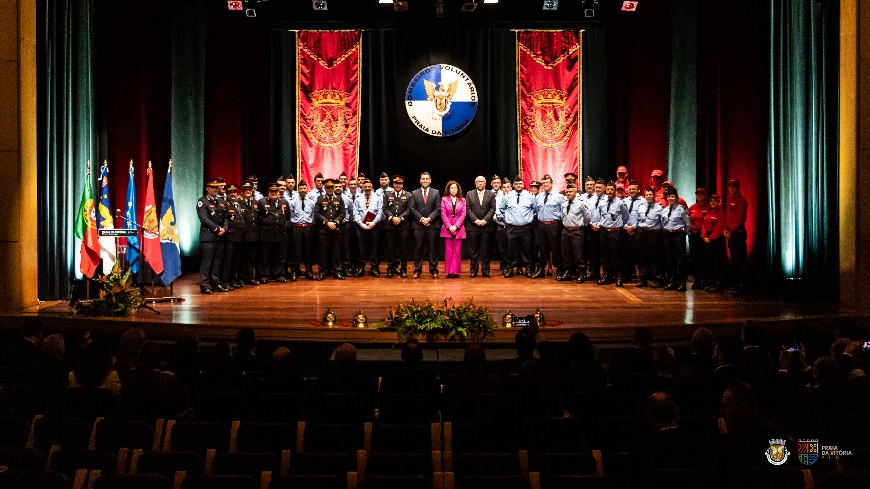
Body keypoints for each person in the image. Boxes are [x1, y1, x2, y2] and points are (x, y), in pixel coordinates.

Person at [592, 181, 629, 286]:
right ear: (606, 190)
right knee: (604, 256)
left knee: (617, 256)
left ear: (615, 191)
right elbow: (601, 216)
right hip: (604, 231)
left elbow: (626, 217)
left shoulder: (620, 203)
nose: (610, 191)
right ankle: (606, 276)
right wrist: (599, 224)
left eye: (612, 189)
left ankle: (618, 277)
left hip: (615, 232)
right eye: (608, 189)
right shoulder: (602, 202)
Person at [499, 175, 536, 278]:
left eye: (520, 184)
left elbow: (535, 210)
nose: (518, 185)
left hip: (526, 227)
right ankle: (510, 269)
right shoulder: (508, 196)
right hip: (511, 227)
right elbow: (501, 209)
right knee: (511, 250)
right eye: (516, 184)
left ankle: (528, 268)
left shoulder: (530, 196)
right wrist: (505, 220)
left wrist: (528, 219)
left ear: (523, 184)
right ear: (513, 185)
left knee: (527, 249)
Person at [197, 178, 228, 294]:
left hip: (220, 236)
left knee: (217, 261)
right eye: (213, 187)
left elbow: (225, 217)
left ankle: (215, 282)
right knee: (207, 261)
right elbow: (203, 218)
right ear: (207, 188)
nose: (215, 189)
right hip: (209, 236)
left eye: (216, 187)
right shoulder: (203, 201)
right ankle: (204, 284)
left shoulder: (221, 201)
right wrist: (217, 228)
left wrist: (224, 228)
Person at [409, 172, 442, 278]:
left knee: (433, 249)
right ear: (420, 180)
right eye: (423, 179)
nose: (425, 180)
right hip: (418, 225)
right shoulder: (414, 193)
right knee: (418, 249)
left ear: (430, 180)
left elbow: (438, 208)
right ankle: (417, 270)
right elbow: (412, 209)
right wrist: (421, 219)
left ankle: (434, 270)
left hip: (432, 225)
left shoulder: (436, 192)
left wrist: (429, 219)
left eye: (427, 179)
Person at [633, 187, 665, 287]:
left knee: (655, 257)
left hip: (653, 233)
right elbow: (638, 219)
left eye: (650, 195)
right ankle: (643, 279)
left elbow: (662, 222)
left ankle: (658, 279)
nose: (648, 197)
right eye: (647, 195)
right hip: (642, 233)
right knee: (643, 257)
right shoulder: (641, 206)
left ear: (654, 196)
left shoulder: (659, 208)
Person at [314, 179, 346, 280]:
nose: (330, 189)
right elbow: (317, 213)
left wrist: (335, 222)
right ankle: (322, 271)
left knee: (336, 251)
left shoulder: (339, 199)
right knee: (323, 252)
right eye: (328, 187)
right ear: (325, 188)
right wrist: (327, 222)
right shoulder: (320, 199)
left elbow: (343, 213)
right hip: (324, 230)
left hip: (336, 229)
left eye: (331, 187)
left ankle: (337, 271)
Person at [534, 175, 564, 279]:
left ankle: (559, 270)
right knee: (542, 249)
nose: (545, 185)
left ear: (552, 183)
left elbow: (562, 210)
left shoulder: (558, 196)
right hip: (542, 225)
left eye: (547, 183)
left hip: (554, 225)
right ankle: (541, 270)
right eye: (543, 183)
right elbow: (536, 211)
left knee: (556, 249)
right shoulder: (538, 197)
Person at [661, 188, 691, 291]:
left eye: (672, 196)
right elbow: (663, 223)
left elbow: (687, 224)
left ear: (677, 198)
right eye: (669, 196)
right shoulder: (664, 210)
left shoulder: (681, 209)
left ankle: (681, 282)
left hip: (678, 234)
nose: (670, 198)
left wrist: (684, 234)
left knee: (680, 259)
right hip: (668, 235)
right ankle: (671, 281)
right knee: (670, 259)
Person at [466, 175, 496, 278]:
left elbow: (492, 209)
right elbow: (468, 209)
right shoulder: (469, 194)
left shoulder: (491, 194)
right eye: (478, 182)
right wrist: (476, 220)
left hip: (486, 227)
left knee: (486, 250)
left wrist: (485, 220)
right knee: (473, 251)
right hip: (473, 227)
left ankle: (486, 270)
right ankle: (473, 270)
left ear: (485, 183)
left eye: (482, 182)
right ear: (475, 183)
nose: (480, 183)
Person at [258, 183, 289, 283]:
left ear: (279, 192)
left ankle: (279, 275)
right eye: (272, 192)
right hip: (267, 234)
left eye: (276, 191)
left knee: (280, 257)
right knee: (265, 257)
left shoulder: (284, 202)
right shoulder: (262, 202)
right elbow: (258, 218)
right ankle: (264, 275)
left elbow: (288, 216)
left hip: (280, 233)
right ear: (268, 192)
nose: (274, 193)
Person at [559, 184, 590, 282]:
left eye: (570, 191)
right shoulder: (564, 203)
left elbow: (587, 217)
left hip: (577, 231)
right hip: (566, 231)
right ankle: (568, 272)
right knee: (566, 254)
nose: (568, 193)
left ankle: (581, 273)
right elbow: (562, 216)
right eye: (567, 192)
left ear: (575, 192)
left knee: (578, 254)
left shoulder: (581, 203)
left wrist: (580, 226)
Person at [382, 176, 411, 278]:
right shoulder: (387, 194)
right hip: (390, 226)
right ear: (393, 184)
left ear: (402, 184)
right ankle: (390, 269)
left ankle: (403, 269)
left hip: (403, 226)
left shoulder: (408, 194)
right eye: (396, 183)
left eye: (400, 183)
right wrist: (392, 218)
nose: (398, 185)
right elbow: (385, 208)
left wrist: (401, 218)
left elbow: (409, 209)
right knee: (390, 248)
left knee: (403, 249)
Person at [220, 184, 248, 290]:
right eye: (230, 192)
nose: (233, 194)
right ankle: (225, 281)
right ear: (227, 194)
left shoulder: (238, 204)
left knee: (236, 261)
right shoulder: (225, 205)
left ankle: (232, 280)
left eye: (234, 192)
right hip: (230, 237)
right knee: (228, 261)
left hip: (239, 237)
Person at [724, 179, 749, 295]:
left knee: (740, 260)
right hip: (731, 234)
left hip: (737, 234)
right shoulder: (730, 200)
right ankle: (735, 283)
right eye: (730, 186)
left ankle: (742, 285)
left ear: (738, 187)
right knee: (734, 260)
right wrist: (725, 229)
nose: (732, 188)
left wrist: (731, 231)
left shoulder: (741, 201)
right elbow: (728, 217)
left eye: (734, 186)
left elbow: (740, 219)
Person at [354, 179, 383, 277]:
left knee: (374, 248)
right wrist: (361, 224)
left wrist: (373, 223)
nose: (367, 188)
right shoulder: (358, 198)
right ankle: (361, 268)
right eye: (365, 187)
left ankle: (374, 268)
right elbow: (356, 213)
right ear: (362, 187)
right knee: (361, 249)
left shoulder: (377, 198)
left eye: (369, 187)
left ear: (371, 187)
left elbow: (380, 213)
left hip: (374, 226)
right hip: (361, 226)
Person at [441, 181, 466, 278]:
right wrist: (449, 226)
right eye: (451, 188)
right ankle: (449, 272)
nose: (453, 190)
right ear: (448, 189)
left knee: (457, 250)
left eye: (455, 188)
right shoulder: (444, 199)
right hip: (447, 228)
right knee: (448, 250)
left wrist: (456, 226)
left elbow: (463, 214)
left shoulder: (463, 200)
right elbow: (443, 214)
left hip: (458, 228)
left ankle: (456, 272)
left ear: (458, 189)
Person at [703, 194, 727, 292]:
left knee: (718, 261)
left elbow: (719, 228)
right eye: (711, 201)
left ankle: (719, 283)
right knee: (710, 261)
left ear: (719, 202)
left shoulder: (721, 213)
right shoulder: (708, 212)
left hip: (717, 240)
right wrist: (704, 236)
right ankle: (712, 282)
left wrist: (711, 238)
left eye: (715, 201)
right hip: (708, 239)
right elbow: (704, 225)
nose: (713, 203)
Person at [688, 188, 710, 290]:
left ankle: (705, 280)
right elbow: (687, 220)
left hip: (705, 235)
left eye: (702, 194)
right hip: (694, 235)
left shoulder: (709, 207)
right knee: (695, 258)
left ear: (705, 195)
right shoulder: (692, 207)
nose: (699, 196)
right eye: (698, 194)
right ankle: (697, 280)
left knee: (705, 258)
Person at [239, 182, 261, 286]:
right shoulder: (238, 203)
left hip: (253, 235)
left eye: (250, 189)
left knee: (251, 258)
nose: (248, 191)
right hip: (242, 235)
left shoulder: (255, 203)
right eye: (246, 189)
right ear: (242, 191)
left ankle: (250, 277)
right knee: (242, 258)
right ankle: (241, 278)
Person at [622, 180, 643, 281]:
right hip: (626, 231)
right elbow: (621, 215)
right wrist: (626, 227)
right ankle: (627, 275)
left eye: (633, 189)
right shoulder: (625, 201)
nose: (631, 191)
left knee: (639, 254)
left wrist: (633, 227)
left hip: (637, 231)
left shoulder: (643, 201)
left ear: (639, 190)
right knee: (626, 254)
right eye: (630, 189)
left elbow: (643, 217)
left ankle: (641, 276)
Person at [494, 177, 511, 273]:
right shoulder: (498, 198)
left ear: (511, 187)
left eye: (508, 187)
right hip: (501, 225)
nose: (506, 189)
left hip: (512, 226)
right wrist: (504, 222)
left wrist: (509, 222)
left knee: (512, 247)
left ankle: (512, 265)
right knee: (502, 247)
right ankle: (504, 265)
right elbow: (497, 213)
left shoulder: (514, 196)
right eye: (504, 187)